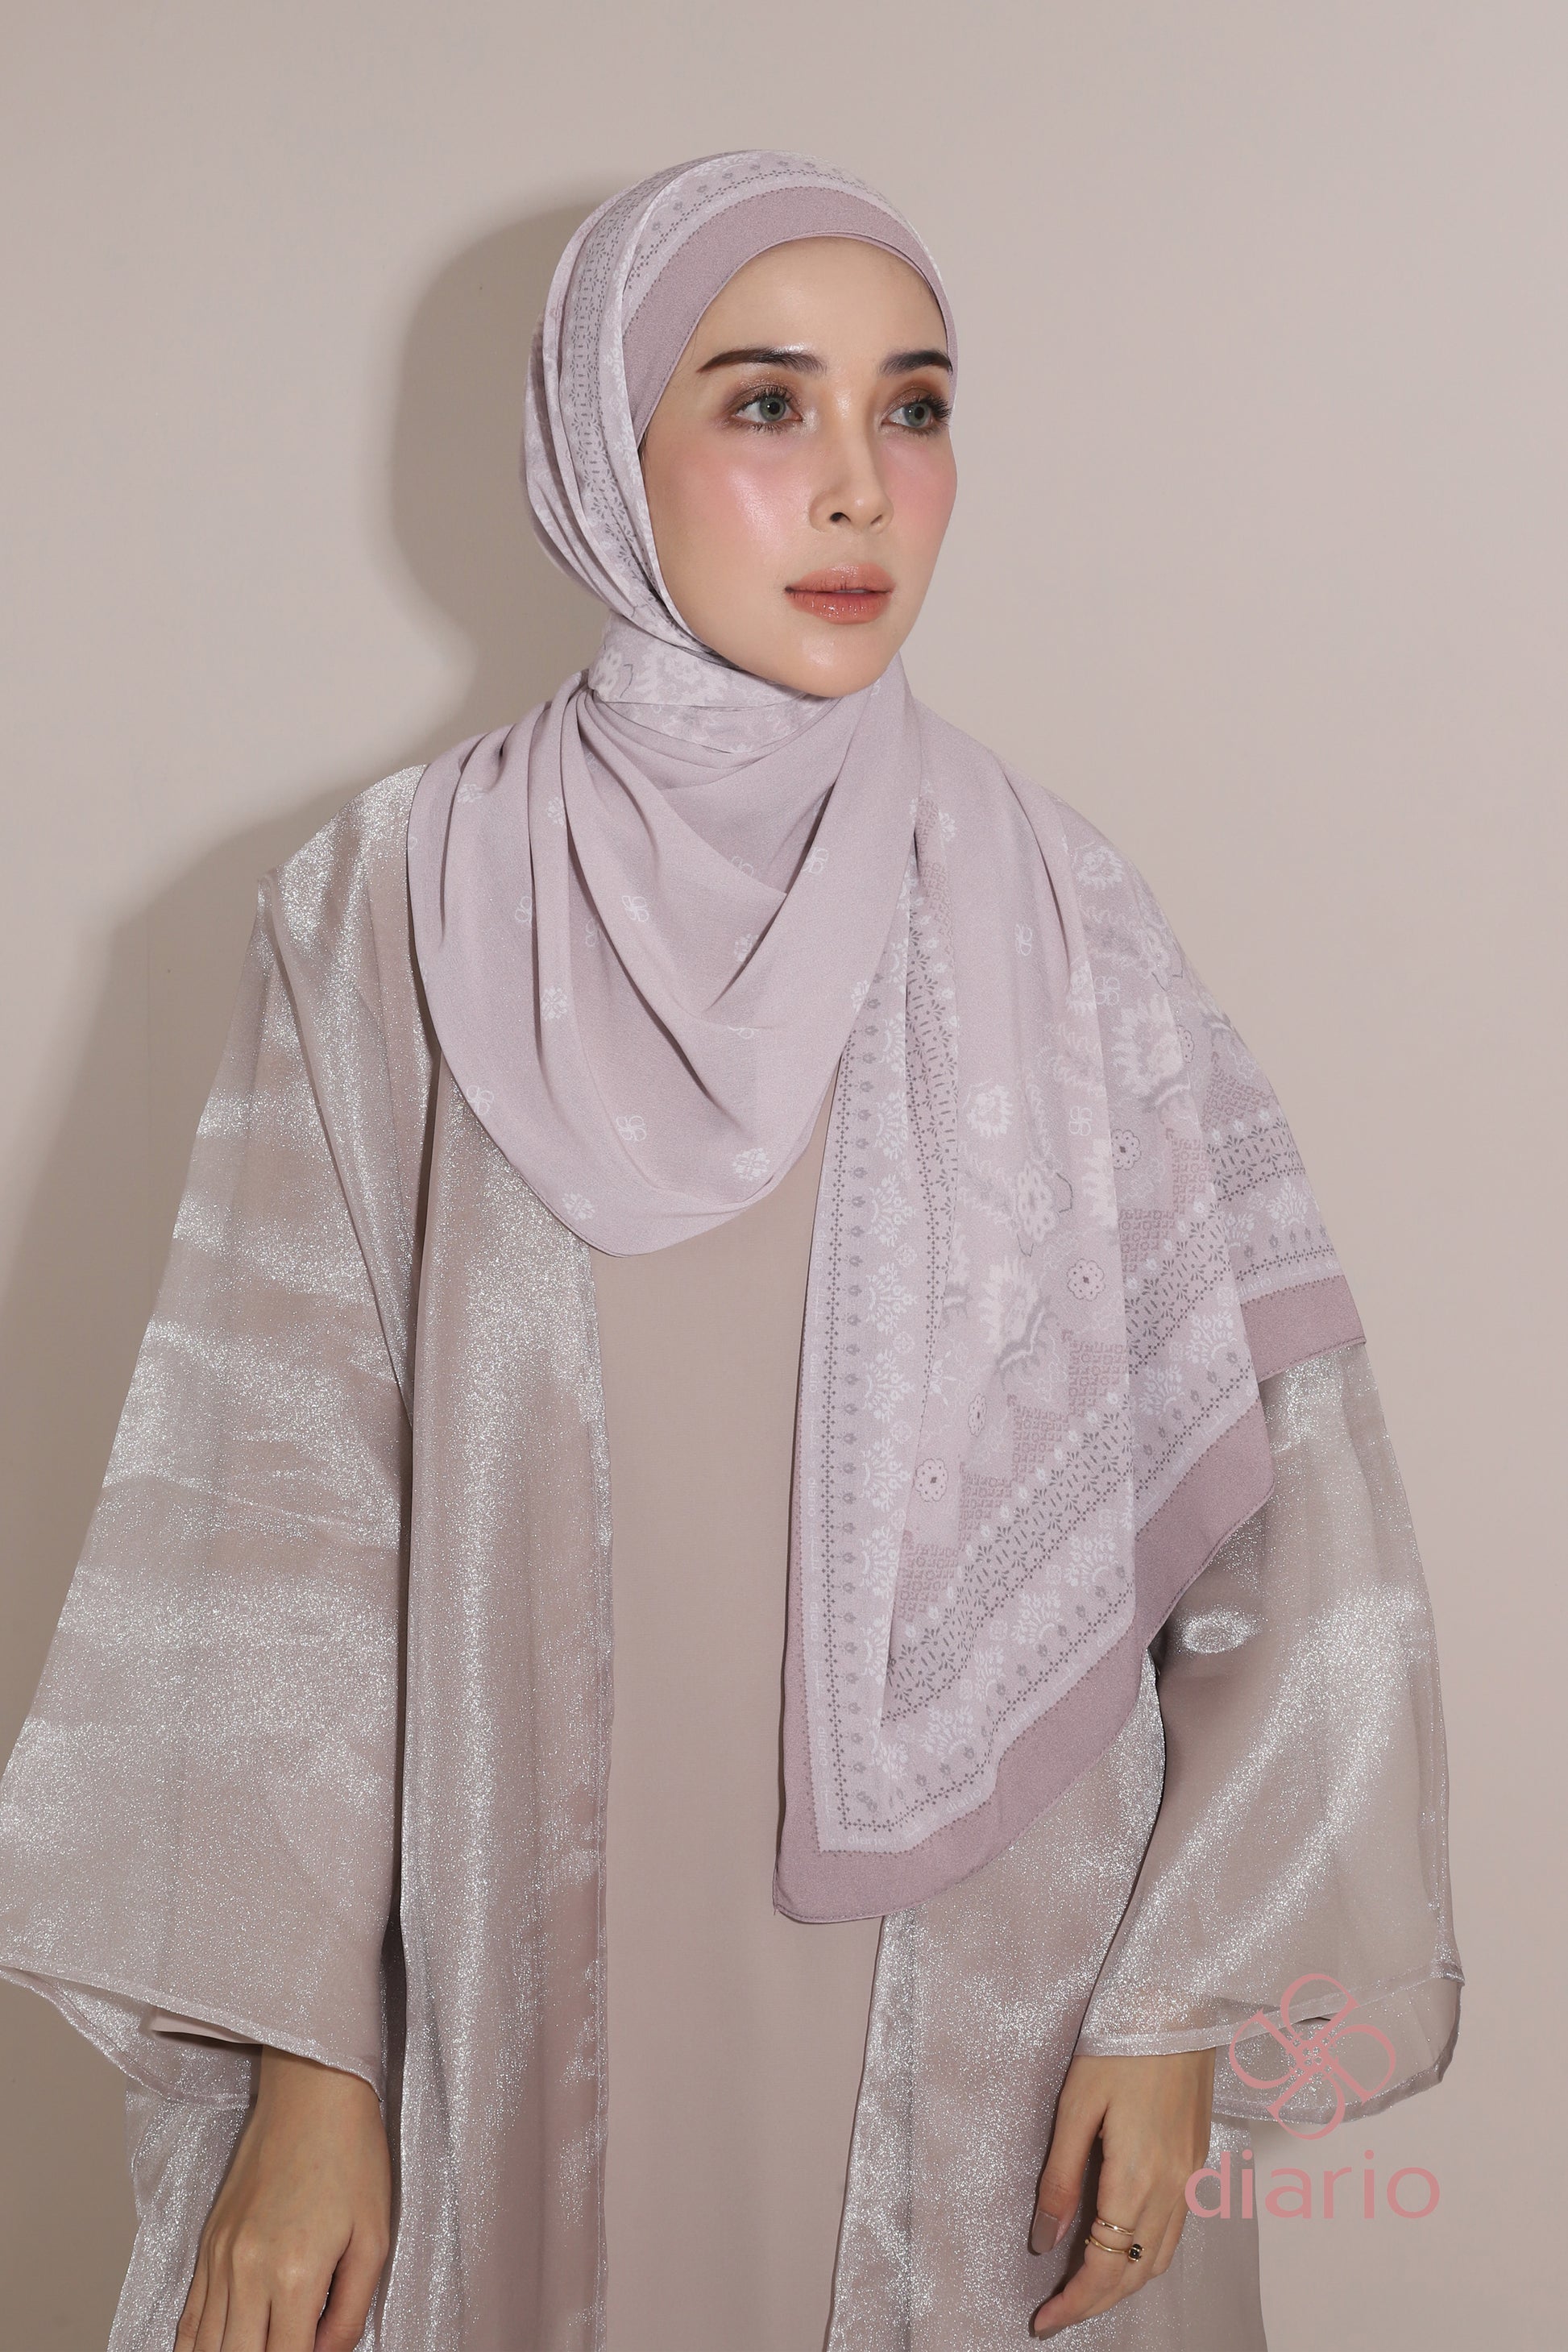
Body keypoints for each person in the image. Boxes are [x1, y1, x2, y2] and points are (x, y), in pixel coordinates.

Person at [0, 152, 1460, 2352]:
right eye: (768, 404)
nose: (860, 486)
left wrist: (1179, 2012)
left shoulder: (1066, 918)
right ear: (606, 446)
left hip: (1006, 2005)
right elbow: (277, 1528)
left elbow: (1282, 1495)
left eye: (915, 408)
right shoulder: (396, 901)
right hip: (522, 1987)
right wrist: (315, 2074)